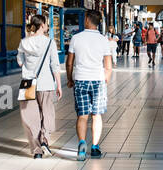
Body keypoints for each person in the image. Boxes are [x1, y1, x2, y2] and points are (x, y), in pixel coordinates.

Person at [66, 9, 113, 160]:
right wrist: (105, 79)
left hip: (81, 79)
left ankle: (81, 145)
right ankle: (94, 147)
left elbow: (69, 63)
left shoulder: (76, 38)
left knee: (82, 115)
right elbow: (108, 66)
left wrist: (69, 79)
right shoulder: (103, 40)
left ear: (86, 19)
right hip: (98, 80)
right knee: (96, 115)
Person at [15, 13, 62, 158]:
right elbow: (55, 65)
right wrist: (59, 85)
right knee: (47, 113)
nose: (47, 26)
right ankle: (44, 141)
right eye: (46, 24)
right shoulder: (50, 42)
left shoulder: (24, 42)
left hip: (28, 84)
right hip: (46, 84)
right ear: (42, 25)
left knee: (30, 117)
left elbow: (20, 63)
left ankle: (37, 151)